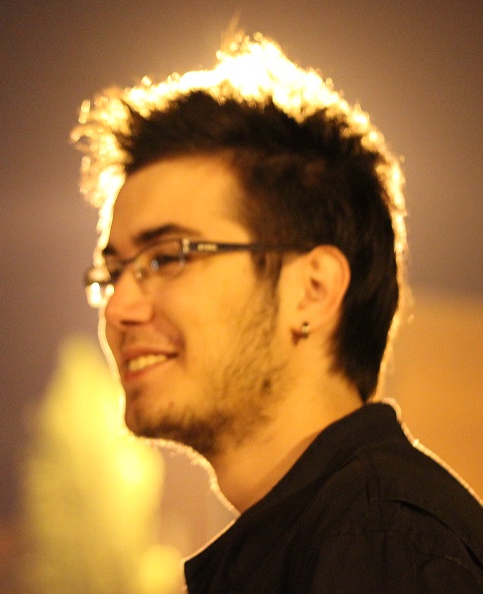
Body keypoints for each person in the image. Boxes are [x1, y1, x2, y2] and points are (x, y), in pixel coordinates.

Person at [72, 34, 483, 592]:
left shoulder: (383, 546)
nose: (119, 307)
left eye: (168, 257)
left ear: (312, 290)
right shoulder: (320, 539)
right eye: (114, 272)